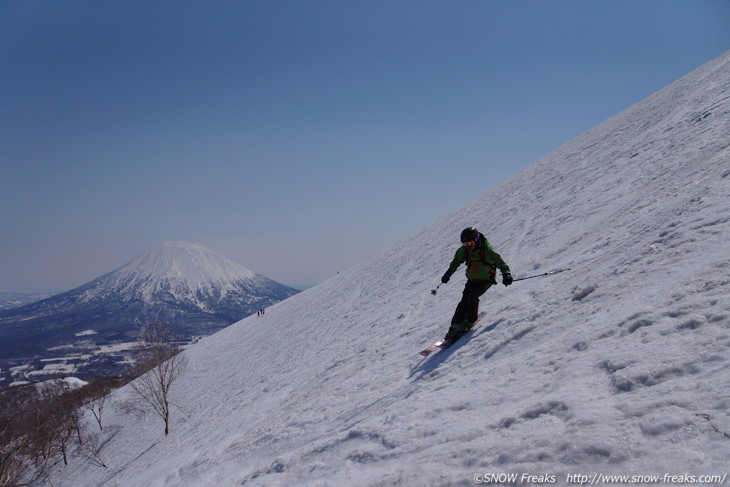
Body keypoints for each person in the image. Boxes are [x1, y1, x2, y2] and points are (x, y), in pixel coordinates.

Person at [440, 227, 513, 340]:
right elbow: (456, 261)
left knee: (472, 296)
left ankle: (470, 320)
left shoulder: (487, 251)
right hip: (472, 279)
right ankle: (455, 324)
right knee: (464, 300)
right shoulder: (464, 250)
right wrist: (448, 274)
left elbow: (500, 263)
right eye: (465, 244)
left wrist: (506, 274)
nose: (468, 246)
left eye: (470, 243)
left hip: (486, 279)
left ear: (477, 240)